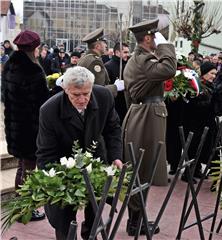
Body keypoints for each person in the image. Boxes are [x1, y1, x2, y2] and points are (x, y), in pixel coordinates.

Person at [36, 66, 123, 240]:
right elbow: (46, 152)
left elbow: (113, 129)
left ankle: (90, 233)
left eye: (86, 93)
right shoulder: (49, 110)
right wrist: (56, 179)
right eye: (76, 95)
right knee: (64, 214)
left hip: (95, 157)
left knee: (95, 207)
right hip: (62, 163)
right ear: (66, 90)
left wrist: (116, 156)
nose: (83, 99)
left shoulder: (104, 96)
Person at [122, 18, 176, 236]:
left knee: (142, 171)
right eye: (155, 36)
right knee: (141, 171)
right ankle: (135, 222)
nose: (157, 39)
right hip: (145, 118)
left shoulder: (141, 58)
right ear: (147, 38)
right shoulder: (144, 59)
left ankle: (137, 219)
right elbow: (169, 68)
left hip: (142, 115)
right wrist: (166, 46)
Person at [1, 30, 48, 222]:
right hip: (30, 127)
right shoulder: (33, 70)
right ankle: (24, 210)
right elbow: (42, 101)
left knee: (23, 166)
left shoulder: (10, 64)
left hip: (15, 125)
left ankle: (20, 207)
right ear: (34, 48)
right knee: (28, 169)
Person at [183, 62, 217, 183]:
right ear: (204, 73)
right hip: (195, 122)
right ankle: (187, 173)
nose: (213, 76)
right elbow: (193, 104)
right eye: (211, 73)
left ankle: (196, 169)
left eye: (215, 74)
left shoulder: (211, 85)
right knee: (193, 147)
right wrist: (210, 104)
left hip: (205, 122)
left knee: (201, 147)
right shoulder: (196, 85)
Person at [78, 28, 124, 97]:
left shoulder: (87, 57)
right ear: (97, 46)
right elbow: (98, 90)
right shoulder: (95, 62)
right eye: (104, 43)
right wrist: (115, 87)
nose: (106, 45)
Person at [104, 42, 130, 125]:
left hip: (127, 103)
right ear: (117, 52)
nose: (127, 54)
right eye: (125, 52)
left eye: (128, 52)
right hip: (116, 105)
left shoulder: (129, 65)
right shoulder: (108, 66)